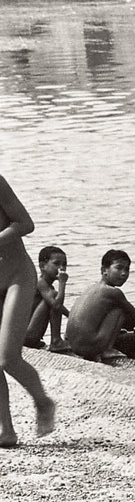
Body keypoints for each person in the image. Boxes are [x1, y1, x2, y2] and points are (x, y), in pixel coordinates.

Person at [0, 174, 56, 448]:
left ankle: (43, 402)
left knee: (8, 358)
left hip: (16, 277)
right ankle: (6, 430)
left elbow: (25, 224)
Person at [65, 249, 135, 362]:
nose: (124, 273)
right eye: (119, 268)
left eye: (127, 269)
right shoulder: (113, 292)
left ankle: (103, 341)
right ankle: (108, 350)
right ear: (104, 270)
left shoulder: (93, 288)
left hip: (75, 346)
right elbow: (133, 313)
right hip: (88, 347)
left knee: (112, 308)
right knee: (119, 310)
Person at [24, 245, 71, 352]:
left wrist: (73, 318)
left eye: (64, 264)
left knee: (54, 298)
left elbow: (62, 309)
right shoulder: (40, 283)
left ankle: (55, 340)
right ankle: (56, 341)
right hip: (26, 337)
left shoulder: (47, 288)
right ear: (42, 266)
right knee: (54, 298)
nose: (62, 268)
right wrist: (62, 283)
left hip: (28, 336)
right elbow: (57, 306)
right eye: (56, 263)